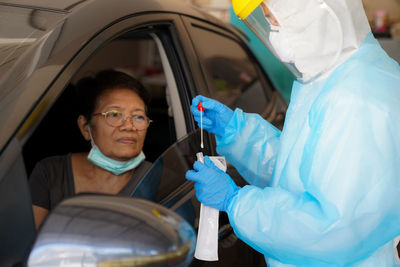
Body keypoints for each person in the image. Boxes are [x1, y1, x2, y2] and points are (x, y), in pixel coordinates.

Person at [186, 0, 400, 266]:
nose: (274, 35)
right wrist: (237, 132)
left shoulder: (357, 98)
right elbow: (299, 171)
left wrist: (237, 202)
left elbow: (332, 229)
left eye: (274, 20)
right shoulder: (329, 76)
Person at [29, 70, 153, 229]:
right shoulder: (51, 173)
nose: (129, 126)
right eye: (114, 114)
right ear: (85, 127)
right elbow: (31, 247)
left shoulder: (160, 179)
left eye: (138, 117)